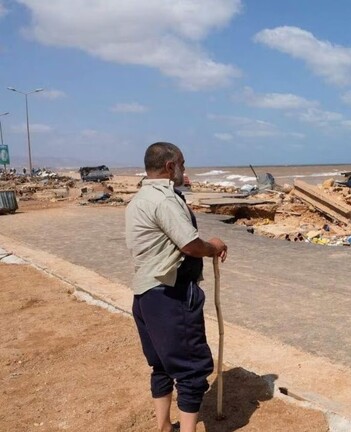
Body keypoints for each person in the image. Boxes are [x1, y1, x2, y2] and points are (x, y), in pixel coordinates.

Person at [125, 142, 228, 432]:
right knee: (191, 369)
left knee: (161, 364)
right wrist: (214, 246)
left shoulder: (139, 198)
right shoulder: (164, 200)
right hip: (171, 295)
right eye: (182, 163)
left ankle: (164, 426)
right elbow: (190, 245)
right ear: (170, 167)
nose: (185, 169)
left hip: (145, 295)